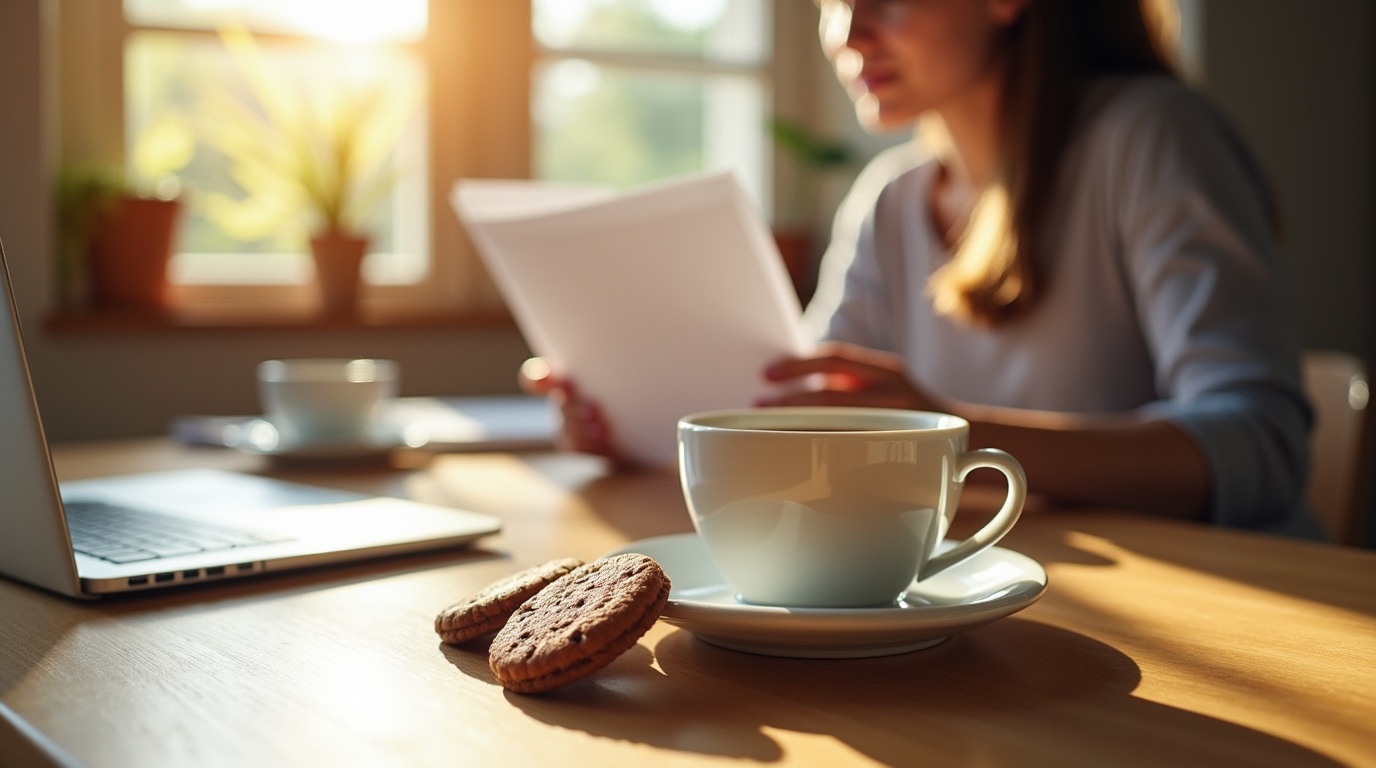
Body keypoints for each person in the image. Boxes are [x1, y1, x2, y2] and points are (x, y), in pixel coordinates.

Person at [524, 0, 1319, 535]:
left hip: (1218, 607)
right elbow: (812, 423)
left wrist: (947, 438)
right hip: (1014, 595)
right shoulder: (891, 201)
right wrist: (644, 429)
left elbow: (1264, 446)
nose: (848, 33)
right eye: (833, 1)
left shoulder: (1151, 136)